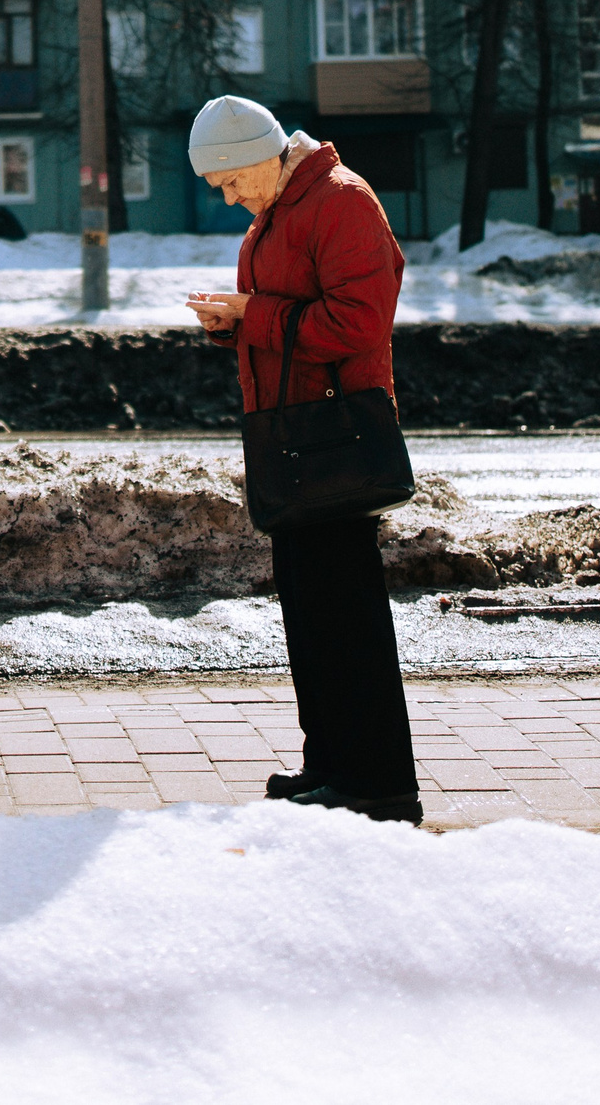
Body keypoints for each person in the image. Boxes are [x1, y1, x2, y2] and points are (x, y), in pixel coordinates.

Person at [184, 94, 422, 825]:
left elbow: (358, 323)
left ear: (261, 156)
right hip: (294, 435)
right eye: (219, 187)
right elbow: (291, 314)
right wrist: (234, 323)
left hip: (333, 439)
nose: (230, 198)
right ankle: (333, 765)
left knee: (345, 615)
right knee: (313, 612)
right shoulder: (284, 209)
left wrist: (251, 315)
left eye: (230, 181)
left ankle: (378, 783)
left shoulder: (339, 202)